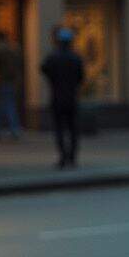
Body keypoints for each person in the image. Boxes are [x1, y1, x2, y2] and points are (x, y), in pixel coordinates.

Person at [41, 27, 84, 168]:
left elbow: (44, 69)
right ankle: (72, 157)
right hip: (71, 97)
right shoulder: (75, 57)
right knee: (73, 129)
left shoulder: (53, 57)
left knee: (59, 129)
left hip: (57, 97)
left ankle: (63, 157)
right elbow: (81, 77)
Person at [0, 31, 23, 139]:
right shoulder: (13, 48)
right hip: (13, 80)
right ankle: (2, 129)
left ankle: (12, 129)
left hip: (4, 80)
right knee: (5, 104)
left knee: (7, 105)